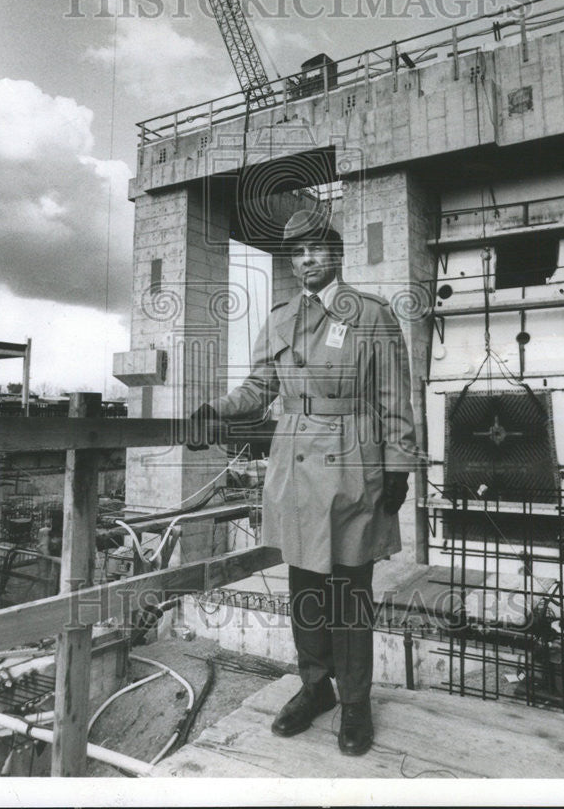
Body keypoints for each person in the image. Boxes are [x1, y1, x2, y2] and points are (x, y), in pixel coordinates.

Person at [188, 207, 417, 755]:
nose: (306, 259)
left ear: (335, 253)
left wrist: (399, 466)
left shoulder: (370, 314)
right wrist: (215, 410)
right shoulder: (281, 316)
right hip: (293, 457)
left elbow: (394, 396)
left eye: (316, 248)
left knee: (348, 588)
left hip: (351, 456)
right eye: (297, 252)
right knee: (304, 585)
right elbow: (257, 387)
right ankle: (316, 688)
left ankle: (355, 702)